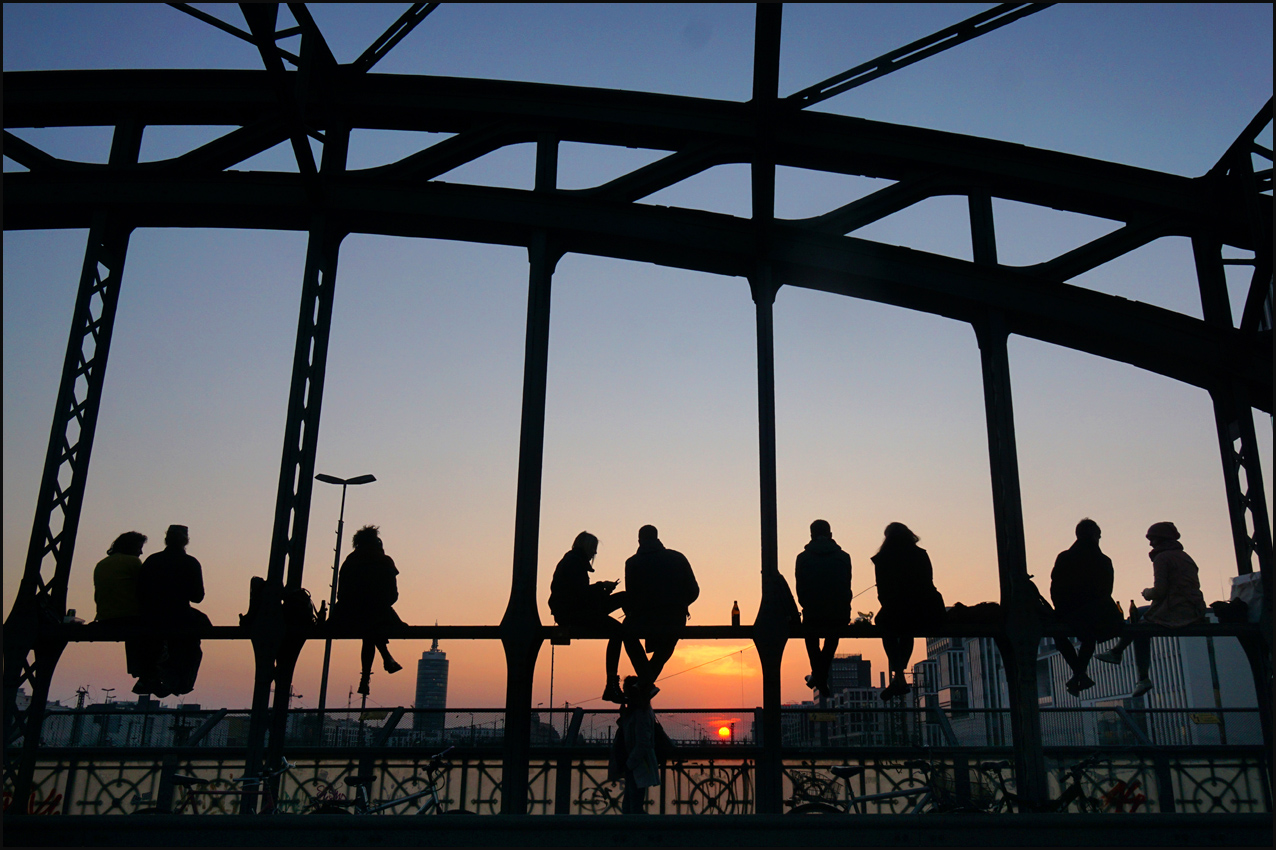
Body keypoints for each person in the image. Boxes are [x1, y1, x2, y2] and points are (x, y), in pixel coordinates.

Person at [1096, 521, 1207, 697]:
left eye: (1152, 539)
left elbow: (1160, 591)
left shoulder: (1162, 558)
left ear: (1160, 539)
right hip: (1192, 607)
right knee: (1138, 613)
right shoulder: (1184, 556)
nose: (1150, 543)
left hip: (1176, 610)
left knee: (1140, 627)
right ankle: (1117, 651)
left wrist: (1147, 593)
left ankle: (1142, 676)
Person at [548, 531, 650, 704]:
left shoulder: (572, 562)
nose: (594, 554)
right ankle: (611, 684)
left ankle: (630, 627)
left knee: (624, 598)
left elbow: (579, 595)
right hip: (575, 614)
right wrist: (601, 587)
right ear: (587, 548)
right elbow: (580, 595)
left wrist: (601, 590)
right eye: (593, 549)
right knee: (618, 631)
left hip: (575, 610)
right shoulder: (574, 564)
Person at [872, 522, 944, 701]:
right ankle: (899, 676)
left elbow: (883, 591)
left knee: (886, 626)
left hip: (897, 608)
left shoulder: (883, 558)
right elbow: (927, 582)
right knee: (907, 631)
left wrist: (890, 605)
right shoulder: (920, 554)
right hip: (926, 608)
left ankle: (899, 675)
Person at [1050, 519, 1123, 696]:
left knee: (1059, 635)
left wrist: (1061, 609)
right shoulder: (1104, 560)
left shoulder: (1065, 557)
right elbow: (1107, 590)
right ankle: (1079, 674)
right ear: (1094, 535)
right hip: (1096, 614)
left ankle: (1079, 673)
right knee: (1089, 637)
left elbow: (1055, 587)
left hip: (1067, 612)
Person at [138, 525, 212, 697]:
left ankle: (149, 676)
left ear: (166, 539)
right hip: (179, 615)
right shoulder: (190, 563)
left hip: (151, 616)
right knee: (193, 646)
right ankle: (182, 682)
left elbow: (140, 592)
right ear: (185, 541)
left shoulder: (152, 560)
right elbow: (197, 597)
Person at [332, 525, 405, 696]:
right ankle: (382, 662)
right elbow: (392, 595)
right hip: (377, 614)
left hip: (347, 614)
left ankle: (372, 672)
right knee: (372, 626)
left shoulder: (350, 561)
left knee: (369, 629)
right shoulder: (384, 561)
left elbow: (341, 593)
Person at [623, 525, 699, 688]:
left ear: (639, 540)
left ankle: (644, 682)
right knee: (664, 650)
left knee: (625, 632)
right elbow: (694, 590)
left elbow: (631, 596)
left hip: (644, 620)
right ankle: (645, 683)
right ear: (657, 537)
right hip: (674, 619)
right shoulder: (678, 558)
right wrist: (680, 605)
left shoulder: (632, 563)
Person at [93, 531, 157, 692]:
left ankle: (142, 674)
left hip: (105, 617)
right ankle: (149, 674)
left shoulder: (102, 563)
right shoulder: (133, 562)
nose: (141, 552)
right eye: (139, 547)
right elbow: (147, 589)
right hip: (129, 617)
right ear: (132, 547)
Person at [795, 519, 852, 699]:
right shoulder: (844, 557)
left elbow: (800, 589)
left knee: (811, 637)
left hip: (813, 613)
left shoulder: (802, 558)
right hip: (839, 613)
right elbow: (846, 586)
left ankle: (819, 678)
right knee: (832, 635)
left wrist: (808, 605)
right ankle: (820, 677)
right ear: (830, 535)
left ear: (811, 535)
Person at [607, 676, 674, 814]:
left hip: (637, 764)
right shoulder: (637, 710)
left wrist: (630, 763)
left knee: (633, 806)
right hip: (635, 764)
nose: (624, 695)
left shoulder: (641, 712)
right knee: (632, 804)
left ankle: (639, 832)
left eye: (625, 691)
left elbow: (642, 742)